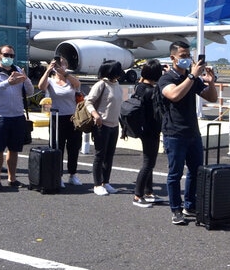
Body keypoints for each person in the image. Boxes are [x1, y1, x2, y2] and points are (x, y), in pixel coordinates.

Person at [158, 41, 218, 225]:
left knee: (196, 170)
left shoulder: (192, 79)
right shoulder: (166, 79)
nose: (187, 59)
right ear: (173, 58)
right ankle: (176, 209)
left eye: (188, 56)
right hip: (174, 132)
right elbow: (174, 95)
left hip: (192, 131)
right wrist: (192, 75)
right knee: (175, 174)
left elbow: (211, 98)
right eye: (183, 56)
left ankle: (190, 204)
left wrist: (211, 82)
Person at [0, 44, 33, 189]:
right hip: (0, 116)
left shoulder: (17, 70)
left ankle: (12, 178)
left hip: (17, 115)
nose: (9, 58)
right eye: (6, 55)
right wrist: (7, 82)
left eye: (11, 56)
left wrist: (26, 79)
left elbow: (29, 92)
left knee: (14, 149)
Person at [38, 55, 83, 188]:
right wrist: (48, 70)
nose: (59, 66)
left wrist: (65, 74)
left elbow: (77, 85)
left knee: (74, 147)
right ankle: (58, 175)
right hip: (57, 117)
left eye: (62, 64)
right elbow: (41, 86)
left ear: (66, 66)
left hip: (72, 118)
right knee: (57, 147)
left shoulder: (71, 80)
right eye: (57, 64)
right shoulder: (51, 81)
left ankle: (73, 174)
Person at [85, 60, 124, 196]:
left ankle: (105, 182)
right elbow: (88, 101)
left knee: (109, 155)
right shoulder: (101, 84)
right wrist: (96, 115)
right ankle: (97, 184)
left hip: (114, 125)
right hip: (102, 124)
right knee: (100, 155)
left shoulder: (116, 84)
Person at [132, 59, 164, 208]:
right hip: (152, 130)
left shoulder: (139, 87)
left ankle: (148, 191)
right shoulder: (152, 91)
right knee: (148, 163)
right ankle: (138, 195)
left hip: (143, 129)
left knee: (148, 161)